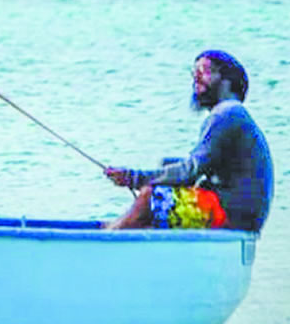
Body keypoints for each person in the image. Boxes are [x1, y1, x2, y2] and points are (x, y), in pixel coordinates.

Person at [104, 50, 273, 232]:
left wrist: (133, 177)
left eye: (205, 71)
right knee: (160, 189)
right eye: (195, 73)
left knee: (150, 199)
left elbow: (190, 171)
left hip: (233, 214)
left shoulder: (226, 113)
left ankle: (107, 240)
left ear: (227, 81)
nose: (196, 79)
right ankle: (117, 232)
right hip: (240, 212)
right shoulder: (232, 114)